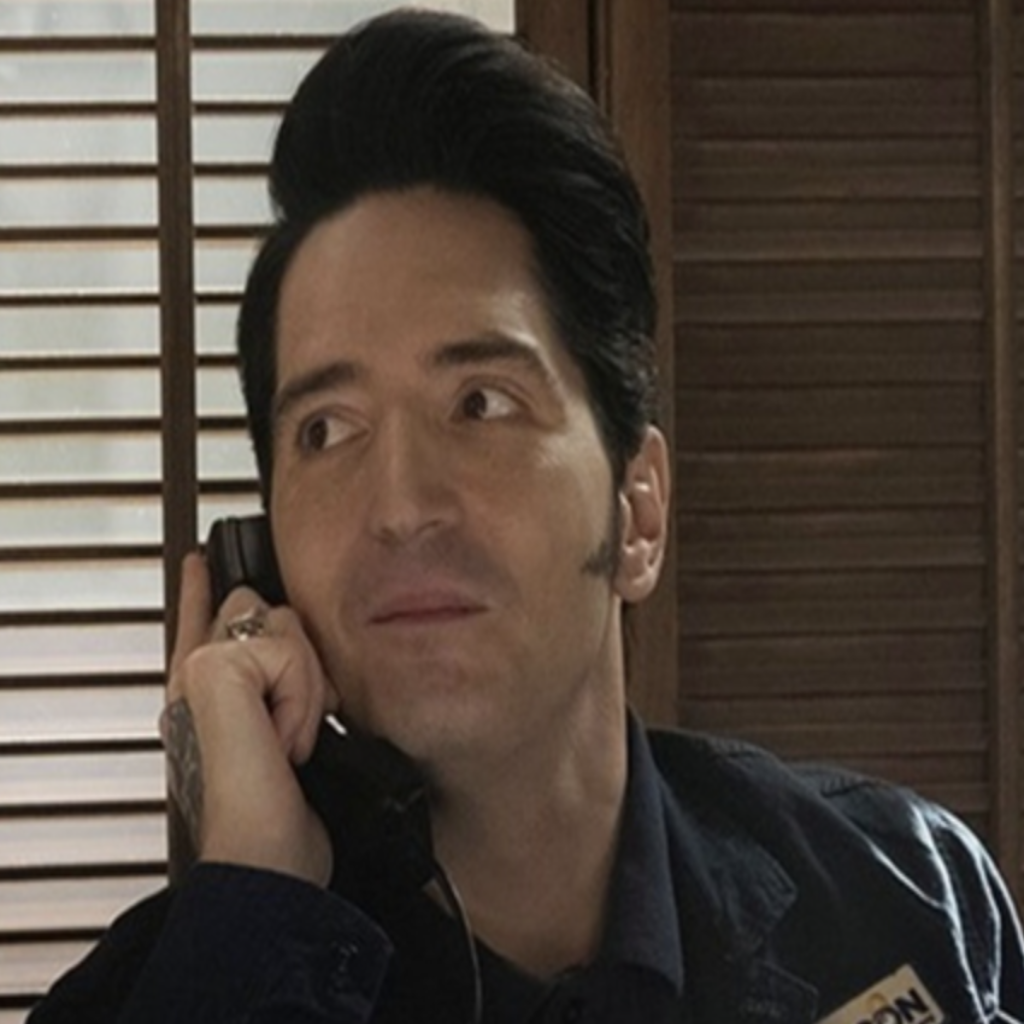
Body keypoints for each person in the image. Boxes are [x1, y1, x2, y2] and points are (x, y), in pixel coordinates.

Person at [29, 9, 1024, 1024]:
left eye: (481, 404)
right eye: (327, 430)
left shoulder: (907, 901)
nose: (400, 506)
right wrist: (259, 913)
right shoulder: (165, 994)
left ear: (637, 511)